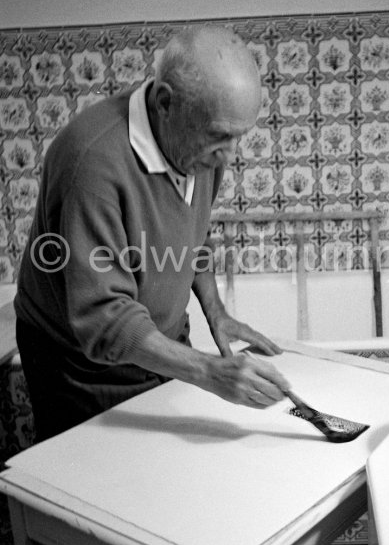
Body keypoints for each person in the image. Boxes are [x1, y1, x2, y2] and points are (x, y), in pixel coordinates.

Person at [15, 25, 290, 440]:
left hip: (154, 344)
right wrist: (208, 371)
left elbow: (192, 235)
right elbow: (103, 320)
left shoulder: (199, 146)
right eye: (220, 137)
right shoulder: (91, 165)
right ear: (165, 103)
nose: (229, 156)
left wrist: (215, 312)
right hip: (81, 367)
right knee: (99, 487)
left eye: (239, 137)